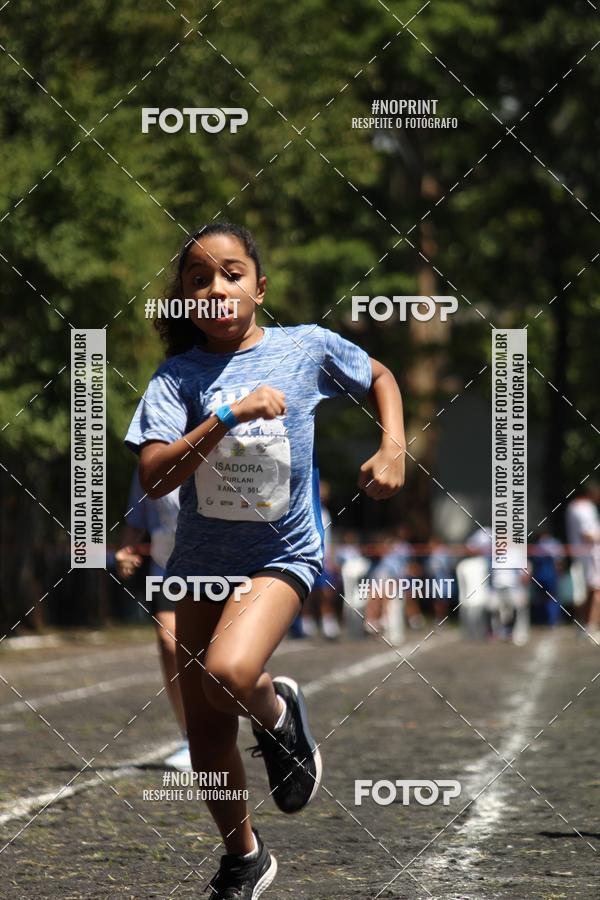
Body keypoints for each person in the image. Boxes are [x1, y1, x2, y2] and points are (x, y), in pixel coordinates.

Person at [124, 222, 406, 899]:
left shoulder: (304, 347)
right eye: (198, 280)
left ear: (259, 285)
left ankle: (279, 715)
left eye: (230, 273)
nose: (216, 288)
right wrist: (224, 413)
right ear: (186, 301)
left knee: (229, 672)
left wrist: (394, 444)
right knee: (208, 729)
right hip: (198, 563)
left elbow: (380, 375)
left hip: (281, 553)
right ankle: (244, 857)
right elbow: (156, 474)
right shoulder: (178, 377)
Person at [115, 471, 191, 770]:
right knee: (169, 643)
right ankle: (191, 738)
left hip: (217, 559)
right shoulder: (150, 461)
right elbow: (136, 520)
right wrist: (124, 549)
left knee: (215, 652)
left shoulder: (221, 441)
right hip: (166, 565)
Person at [302, 481, 341, 639]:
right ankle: (306, 624)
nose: (323, 495)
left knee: (327, 593)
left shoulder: (325, 513)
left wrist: (332, 559)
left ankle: (328, 624)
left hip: (323, 560)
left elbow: (328, 539)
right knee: (307, 594)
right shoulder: (306, 510)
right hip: (306, 558)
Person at [565, 480, 600, 634]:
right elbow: (588, 535)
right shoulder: (585, 508)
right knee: (594, 591)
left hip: (581, 555)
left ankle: (583, 624)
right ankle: (591, 625)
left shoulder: (573, 507)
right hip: (589, 555)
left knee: (582, 592)